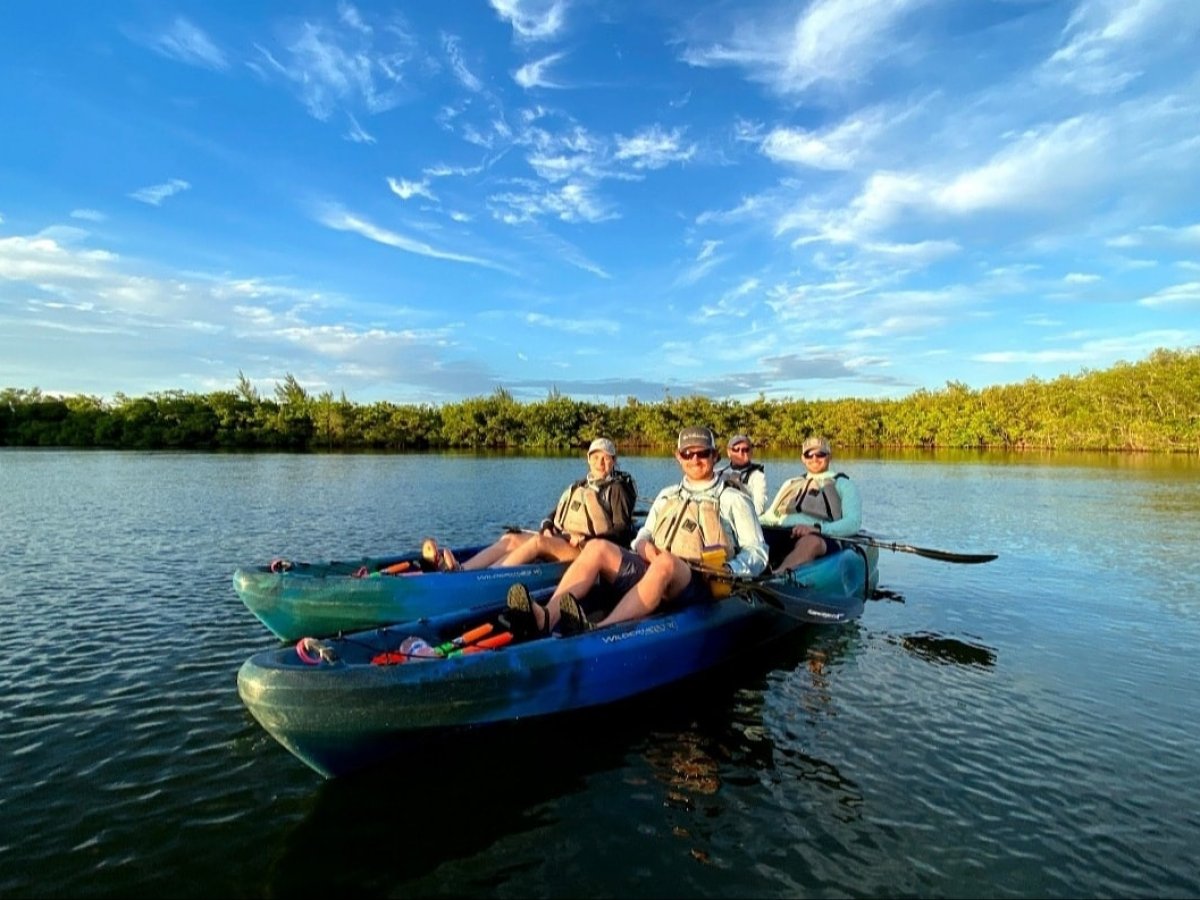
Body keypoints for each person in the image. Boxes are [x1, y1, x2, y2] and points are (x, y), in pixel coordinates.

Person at [504, 426, 767, 636]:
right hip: (655, 568)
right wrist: (644, 546)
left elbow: (758, 551)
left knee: (665, 562)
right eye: (688, 454)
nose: (695, 460)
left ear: (715, 456)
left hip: (699, 581)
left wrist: (731, 569)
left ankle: (601, 630)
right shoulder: (667, 495)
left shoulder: (733, 499)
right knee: (596, 547)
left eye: (703, 454)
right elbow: (644, 534)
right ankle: (547, 617)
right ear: (678, 457)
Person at [428, 437, 638, 571]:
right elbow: (554, 515)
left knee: (538, 543)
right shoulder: (580, 486)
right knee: (511, 538)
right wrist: (547, 527)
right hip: (562, 540)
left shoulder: (617, 489)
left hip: (586, 550)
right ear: (588, 459)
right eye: (596, 457)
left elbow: (622, 532)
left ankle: (485, 577)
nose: (601, 463)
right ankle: (461, 569)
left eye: (607, 458)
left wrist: (586, 538)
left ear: (614, 461)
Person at [760, 435, 861, 574]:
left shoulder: (843, 484)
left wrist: (817, 529)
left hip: (822, 538)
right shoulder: (790, 484)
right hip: (785, 533)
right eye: (809, 454)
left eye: (820, 454)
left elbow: (853, 523)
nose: (814, 459)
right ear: (803, 458)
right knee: (756, 534)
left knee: (811, 542)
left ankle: (776, 576)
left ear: (829, 456)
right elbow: (770, 516)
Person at [716, 433, 767, 515]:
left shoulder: (757, 476)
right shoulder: (719, 472)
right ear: (728, 453)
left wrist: (739, 486)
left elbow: (759, 509)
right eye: (736, 449)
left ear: (751, 452)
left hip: (744, 517)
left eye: (745, 449)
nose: (740, 453)